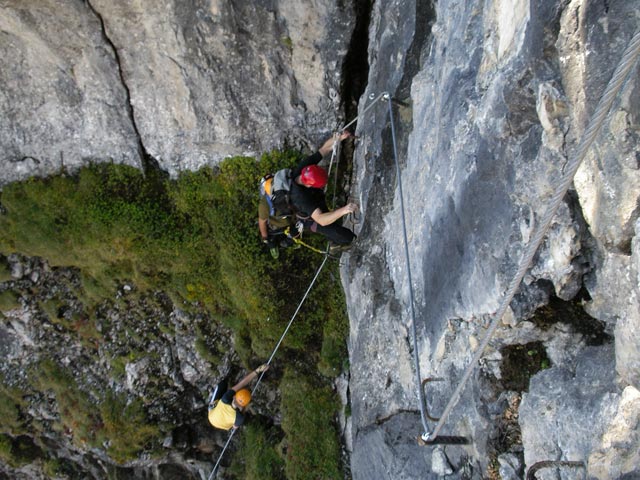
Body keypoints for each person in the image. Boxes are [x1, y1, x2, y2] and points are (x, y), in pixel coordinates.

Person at [289, 132, 358, 248]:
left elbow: (324, 149)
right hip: (310, 218)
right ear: (310, 185)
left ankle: (333, 238)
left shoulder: (304, 168)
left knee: (332, 220)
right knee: (343, 235)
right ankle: (337, 244)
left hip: (316, 200)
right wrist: (344, 210)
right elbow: (321, 220)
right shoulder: (301, 198)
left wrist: (338, 138)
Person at [207, 364, 269, 431]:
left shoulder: (226, 398)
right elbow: (234, 426)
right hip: (219, 422)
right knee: (235, 422)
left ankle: (226, 379)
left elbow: (242, 383)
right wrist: (257, 370)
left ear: (234, 396)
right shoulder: (238, 417)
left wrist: (258, 370)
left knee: (221, 385)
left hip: (212, 416)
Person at [258, 195, 296, 259]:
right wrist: (266, 239)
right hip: (275, 227)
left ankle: (294, 240)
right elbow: (262, 222)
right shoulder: (265, 204)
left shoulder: (290, 193)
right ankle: (273, 246)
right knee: (272, 240)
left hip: (292, 222)